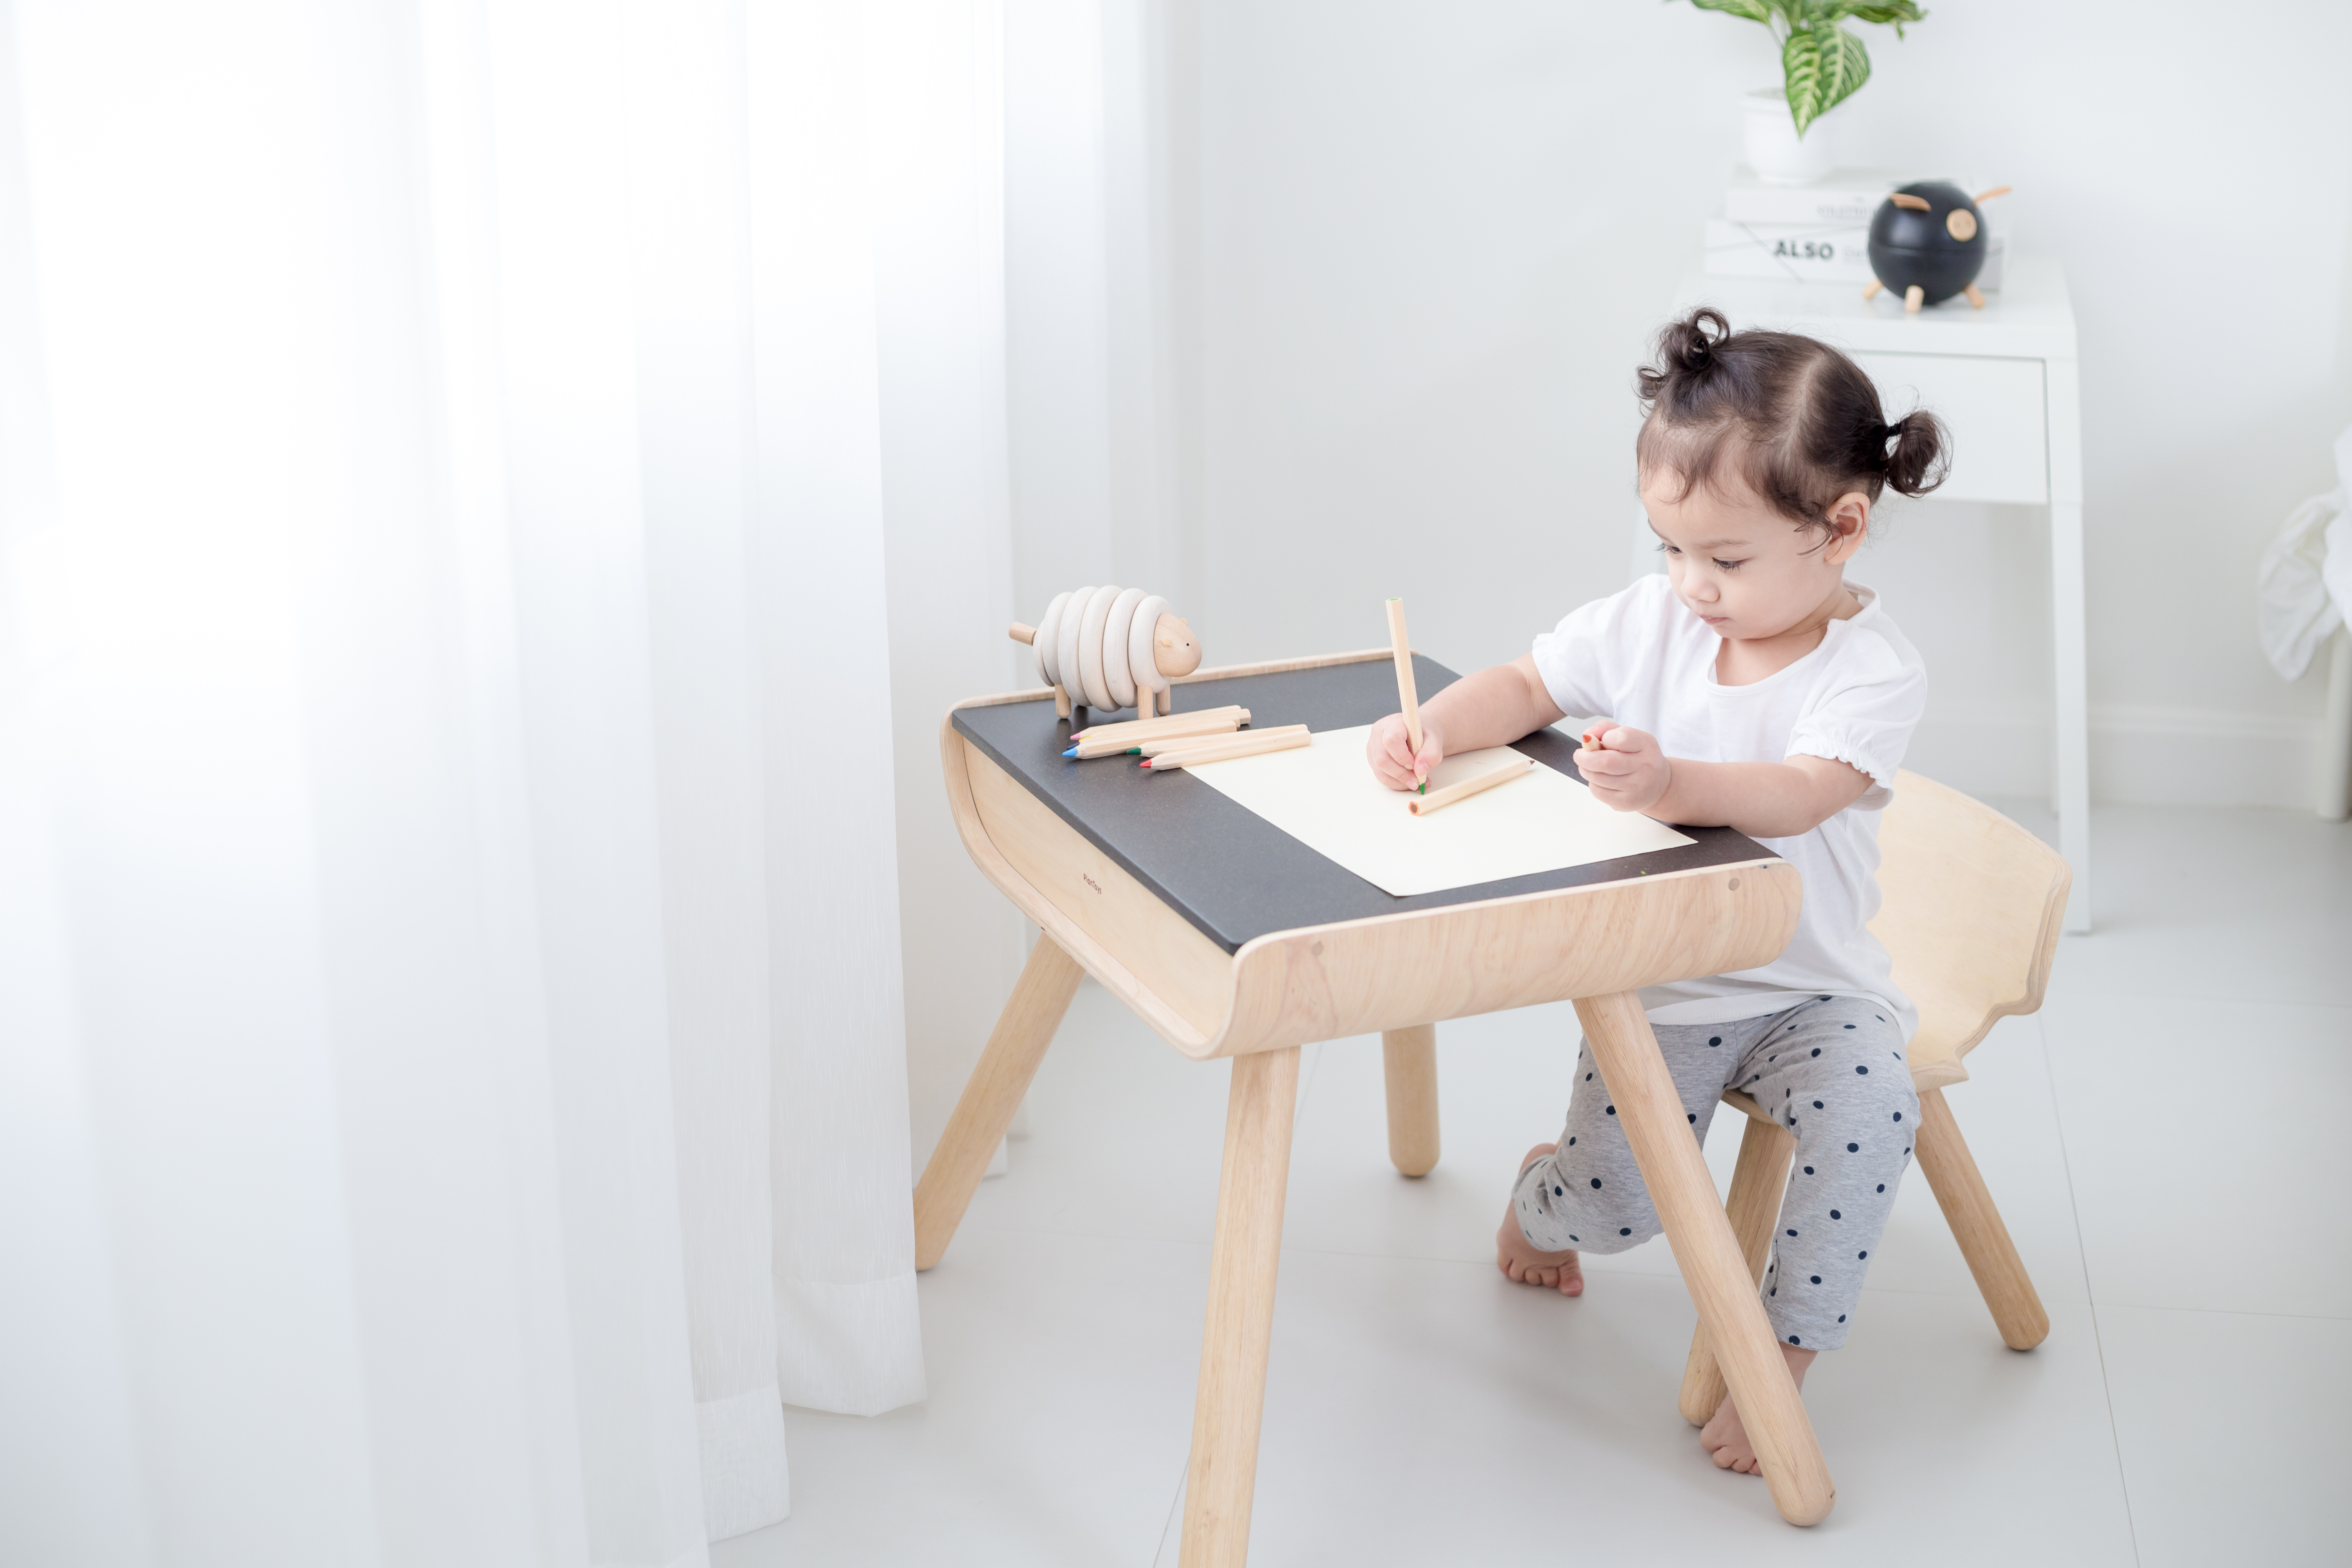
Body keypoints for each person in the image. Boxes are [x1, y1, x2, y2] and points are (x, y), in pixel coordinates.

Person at [1364, 306, 1947, 1475]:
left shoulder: (1870, 669)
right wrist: (1432, 728)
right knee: (1612, 1211)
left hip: (1811, 993)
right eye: (1668, 548)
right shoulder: (1650, 622)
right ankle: (1543, 1198)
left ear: (1841, 530)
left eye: (1725, 560)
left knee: (1882, 1109)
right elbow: (1529, 683)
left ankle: (1781, 1358)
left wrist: (1672, 781)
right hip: (1665, 989)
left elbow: (1799, 791)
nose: (1690, 586)